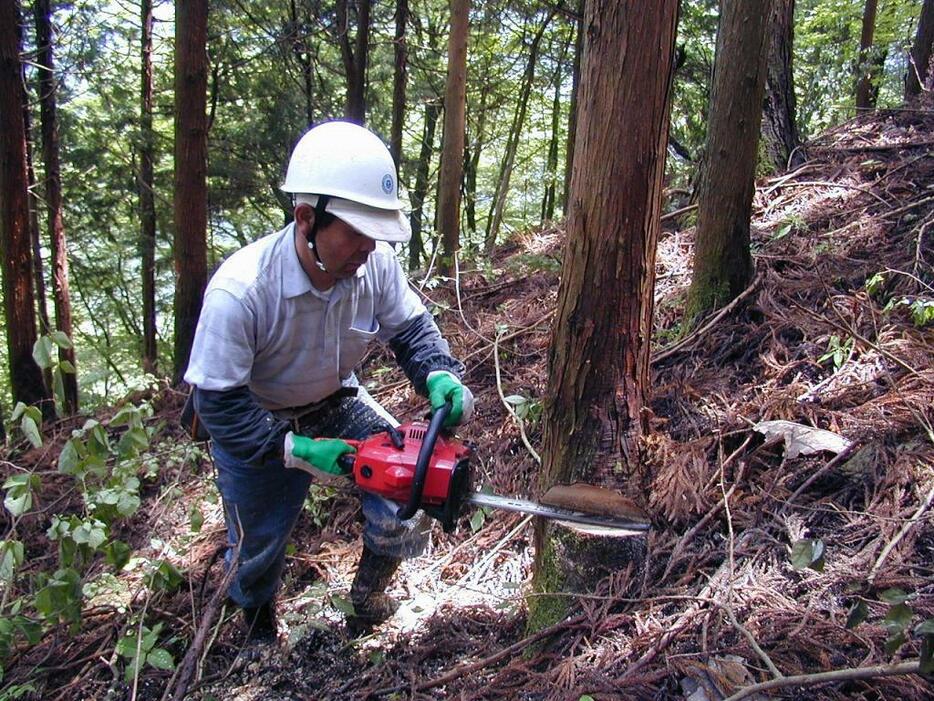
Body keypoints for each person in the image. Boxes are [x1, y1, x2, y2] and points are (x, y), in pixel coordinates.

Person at [184, 121, 473, 641]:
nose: (368, 246)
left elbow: (410, 329)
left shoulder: (374, 264)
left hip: (334, 399)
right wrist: (294, 449)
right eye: (356, 232)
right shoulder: (242, 291)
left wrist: (438, 374)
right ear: (306, 217)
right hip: (257, 418)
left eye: (376, 232)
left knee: (409, 483)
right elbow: (219, 404)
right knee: (257, 545)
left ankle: (367, 599)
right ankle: (257, 629)